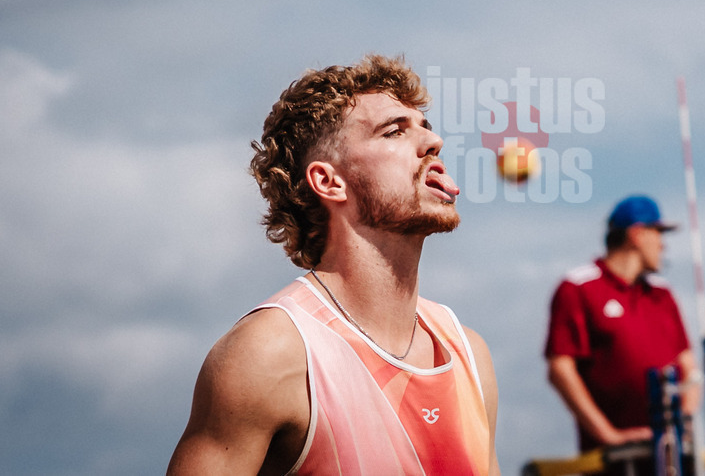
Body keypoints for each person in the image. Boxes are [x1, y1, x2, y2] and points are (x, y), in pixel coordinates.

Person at [168, 55, 500, 475]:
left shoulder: (468, 353)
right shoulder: (270, 353)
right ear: (329, 181)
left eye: (425, 127)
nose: (432, 143)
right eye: (394, 130)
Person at [544, 195, 702, 473]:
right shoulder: (578, 287)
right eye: (658, 233)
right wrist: (609, 436)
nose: (663, 244)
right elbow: (560, 369)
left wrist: (681, 427)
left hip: (673, 462)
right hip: (613, 463)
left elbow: (689, 370)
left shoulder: (663, 295)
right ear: (637, 235)